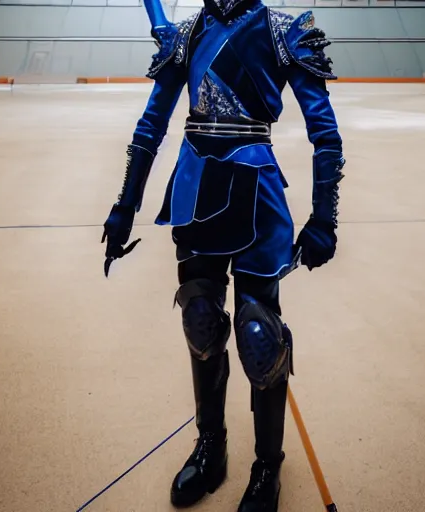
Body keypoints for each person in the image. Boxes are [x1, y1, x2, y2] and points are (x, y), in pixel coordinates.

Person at [101, 0, 345, 509]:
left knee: (260, 336)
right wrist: (126, 204)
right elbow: (152, 125)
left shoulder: (283, 31)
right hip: (196, 190)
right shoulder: (187, 34)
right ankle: (211, 446)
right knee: (201, 322)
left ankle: (267, 467)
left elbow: (326, 133)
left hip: (258, 197)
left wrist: (324, 217)